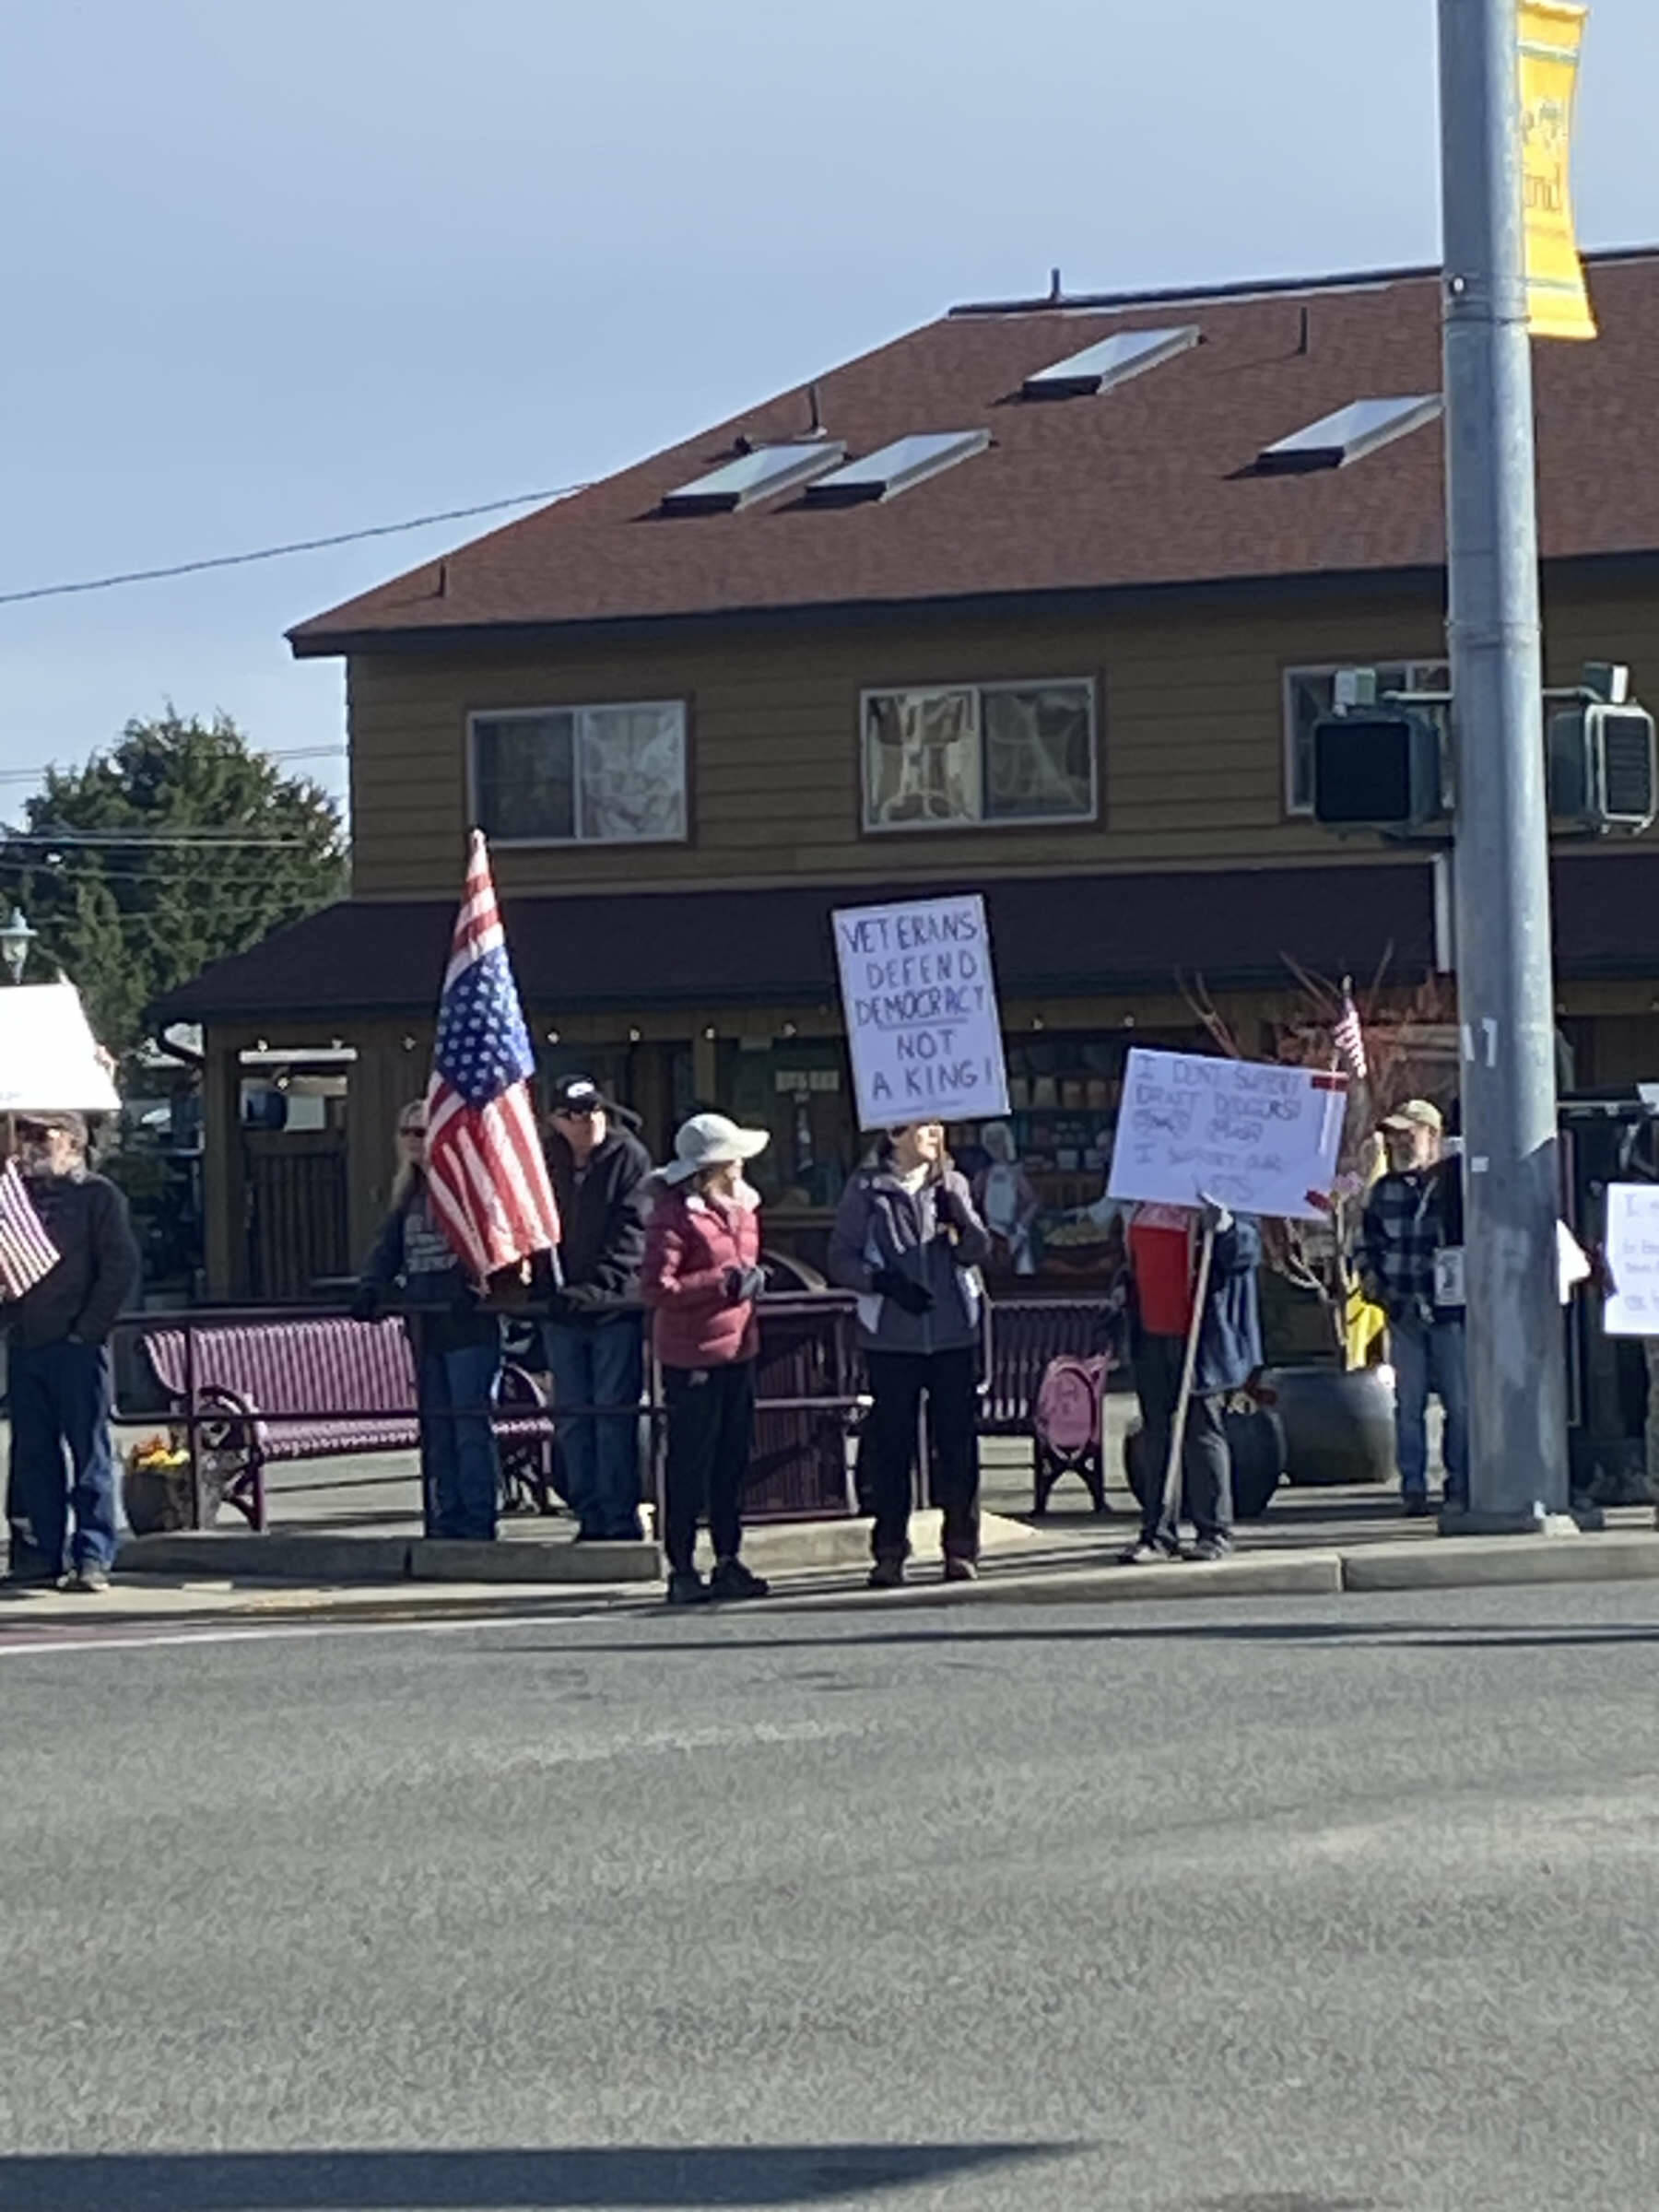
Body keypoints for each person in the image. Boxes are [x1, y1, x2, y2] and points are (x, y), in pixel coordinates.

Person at [829, 1120, 992, 1589]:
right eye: (925, 1127)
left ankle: (961, 1547)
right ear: (897, 1134)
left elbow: (979, 1250)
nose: (935, 1135)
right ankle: (890, 1550)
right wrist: (883, 1283)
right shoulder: (867, 1190)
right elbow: (841, 1257)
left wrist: (960, 1216)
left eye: (940, 1127)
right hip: (892, 1337)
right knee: (892, 1446)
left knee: (957, 1445)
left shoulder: (953, 1182)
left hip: (952, 1332)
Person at [2, 1112, 140, 1594]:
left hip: (78, 1347)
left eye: (43, 1135)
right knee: (32, 1456)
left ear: (74, 1143)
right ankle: (38, 1553)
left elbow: (119, 1268)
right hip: (27, 1344)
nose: (31, 1145)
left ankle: (92, 1556)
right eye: (24, 1134)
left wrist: (88, 1331)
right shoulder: (17, 1199)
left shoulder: (98, 1196)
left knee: (88, 1453)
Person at [353, 1100, 502, 1542]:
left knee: (470, 1424)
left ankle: (478, 1519)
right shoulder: (408, 1193)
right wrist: (371, 1288)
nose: (415, 1141)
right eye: (407, 1133)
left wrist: (472, 1287)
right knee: (438, 1427)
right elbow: (388, 1249)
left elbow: (489, 1245)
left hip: (467, 1323)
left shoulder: (461, 1188)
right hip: (426, 1323)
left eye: (423, 1131)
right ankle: (446, 1516)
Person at [641, 1112, 771, 1606]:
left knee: (732, 1459)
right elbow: (657, 1286)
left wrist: (752, 1283)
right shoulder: (673, 1214)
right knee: (690, 1461)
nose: (741, 1163)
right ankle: (681, 1565)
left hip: (740, 1347)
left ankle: (728, 1559)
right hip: (691, 1354)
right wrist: (721, 1284)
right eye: (733, 1155)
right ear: (713, 1163)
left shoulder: (744, 1208)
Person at [1118, 1195, 1263, 1564]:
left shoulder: (1224, 1190)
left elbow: (1248, 1251)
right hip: (1151, 1331)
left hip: (1201, 1334)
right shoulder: (1145, 1199)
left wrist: (1228, 1227)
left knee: (1201, 1429)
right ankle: (1157, 1533)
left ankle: (1213, 1530)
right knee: (1156, 1434)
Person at [542, 1074, 653, 1542]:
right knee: (572, 1417)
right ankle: (588, 1513)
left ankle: (619, 1513)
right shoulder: (546, 1162)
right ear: (556, 1121)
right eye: (574, 1114)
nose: (586, 1120)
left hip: (613, 1308)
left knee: (612, 1414)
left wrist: (597, 1287)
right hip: (561, 1312)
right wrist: (547, 1288)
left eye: (592, 1110)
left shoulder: (629, 1156)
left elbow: (635, 1230)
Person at [1358, 1097, 1468, 1516]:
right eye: (1395, 1136)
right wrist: (1378, 1289)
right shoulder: (1383, 1191)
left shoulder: (1454, 1186)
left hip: (1451, 1314)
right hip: (1402, 1311)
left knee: (1460, 1405)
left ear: (1432, 1135)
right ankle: (1414, 1488)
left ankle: (1459, 1485)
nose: (1401, 1143)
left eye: (1409, 1134)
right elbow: (1365, 1246)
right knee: (1410, 1405)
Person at [971, 1121, 1041, 1277]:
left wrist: (1021, 1228)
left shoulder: (1016, 1173)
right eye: (991, 1142)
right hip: (990, 1235)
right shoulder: (984, 1174)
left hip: (1013, 1232)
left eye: (998, 1141)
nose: (995, 1147)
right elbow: (972, 1201)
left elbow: (1033, 1202)